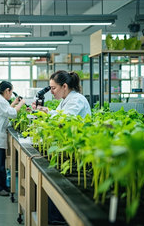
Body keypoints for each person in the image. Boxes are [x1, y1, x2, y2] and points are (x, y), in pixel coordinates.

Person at [32, 70, 91, 225]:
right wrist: (45, 111)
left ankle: (58, 218)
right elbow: (59, 114)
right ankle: (55, 217)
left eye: (54, 88)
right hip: (68, 147)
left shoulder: (77, 100)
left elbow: (64, 120)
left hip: (76, 148)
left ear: (64, 86)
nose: (51, 92)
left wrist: (47, 115)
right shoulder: (66, 99)